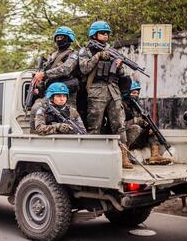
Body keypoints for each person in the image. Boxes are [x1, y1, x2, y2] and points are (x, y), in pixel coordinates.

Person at [79, 21, 133, 169]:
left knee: (119, 125)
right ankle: (93, 159)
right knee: (94, 126)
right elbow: (84, 68)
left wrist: (119, 65)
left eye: (107, 33)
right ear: (94, 34)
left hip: (113, 90)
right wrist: (98, 56)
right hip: (96, 90)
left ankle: (124, 157)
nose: (106, 35)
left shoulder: (112, 50)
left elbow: (121, 74)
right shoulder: (86, 50)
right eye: (103, 33)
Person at [122, 81, 171, 164]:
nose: (136, 95)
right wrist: (134, 121)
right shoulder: (121, 105)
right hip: (126, 139)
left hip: (137, 138)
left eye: (137, 93)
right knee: (136, 128)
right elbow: (119, 126)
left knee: (152, 128)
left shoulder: (135, 107)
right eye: (134, 93)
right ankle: (124, 156)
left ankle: (155, 155)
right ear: (128, 93)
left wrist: (147, 126)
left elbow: (142, 120)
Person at [32, 26, 81, 108]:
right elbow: (45, 74)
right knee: (37, 109)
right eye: (57, 37)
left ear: (69, 38)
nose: (59, 39)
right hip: (51, 93)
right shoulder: (52, 56)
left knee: (68, 117)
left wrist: (44, 74)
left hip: (66, 93)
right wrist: (39, 87)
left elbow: (66, 69)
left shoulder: (74, 54)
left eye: (61, 37)